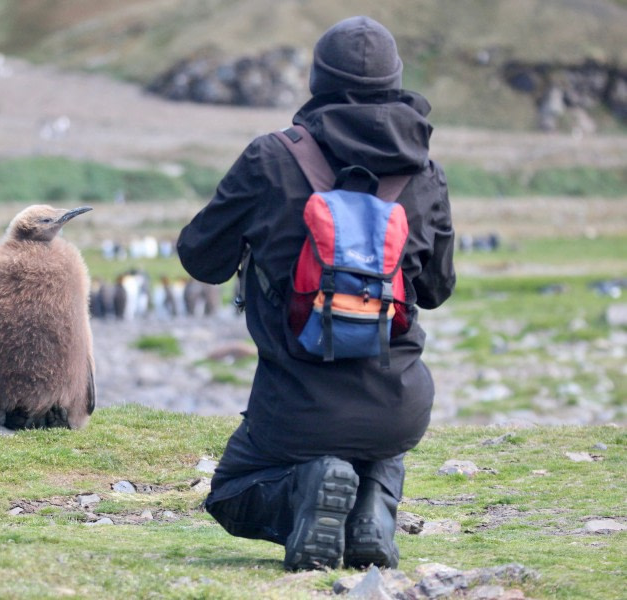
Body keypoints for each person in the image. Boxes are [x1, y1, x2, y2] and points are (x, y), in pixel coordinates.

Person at [176, 16, 455, 571]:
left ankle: (307, 491)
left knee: (231, 490)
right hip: (397, 407)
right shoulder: (425, 172)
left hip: (294, 409)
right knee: (378, 439)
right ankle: (374, 500)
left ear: (316, 81)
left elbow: (200, 258)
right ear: (396, 80)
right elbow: (437, 288)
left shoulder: (270, 157)